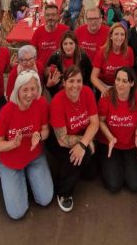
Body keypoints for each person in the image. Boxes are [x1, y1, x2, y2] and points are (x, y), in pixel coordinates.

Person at [0, 70, 53, 220]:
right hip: (11, 161)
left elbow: (45, 130)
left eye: (33, 89)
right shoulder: (6, 111)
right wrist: (12, 144)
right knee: (17, 213)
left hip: (34, 156)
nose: (29, 94)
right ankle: (17, 178)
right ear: (17, 90)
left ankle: (28, 176)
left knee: (45, 199)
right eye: (25, 89)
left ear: (38, 88)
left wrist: (39, 137)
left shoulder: (41, 103)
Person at [49, 67, 99, 212]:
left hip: (79, 135)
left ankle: (65, 167)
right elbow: (62, 140)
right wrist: (85, 143)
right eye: (71, 81)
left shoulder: (87, 92)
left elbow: (95, 122)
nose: (75, 85)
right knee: (81, 157)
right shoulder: (57, 101)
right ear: (64, 82)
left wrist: (83, 143)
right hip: (57, 140)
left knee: (91, 173)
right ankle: (63, 192)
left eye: (79, 81)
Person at [97, 68, 137, 192]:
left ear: (132, 83)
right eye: (118, 80)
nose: (120, 84)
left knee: (135, 185)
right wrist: (110, 138)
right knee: (114, 185)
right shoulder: (107, 97)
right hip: (110, 144)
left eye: (124, 81)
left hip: (130, 144)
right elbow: (100, 121)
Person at [45, 31, 93, 97]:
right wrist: (49, 85)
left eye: (71, 43)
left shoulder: (83, 57)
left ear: (76, 44)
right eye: (65, 44)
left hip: (79, 92)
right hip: (60, 93)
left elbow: (89, 80)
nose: (68, 47)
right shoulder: (55, 57)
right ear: (61, 45)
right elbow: (48, 83)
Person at [91, 23, 134, 96]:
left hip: (122, 86)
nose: (119, 37)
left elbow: (130, 74)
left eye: (122, 34)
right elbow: (93, 77)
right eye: (116, 34)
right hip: (105, 85)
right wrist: (104, 90)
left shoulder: (129, 51)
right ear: (111, 36)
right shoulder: (101, 52)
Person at [31, 4, 68, 69]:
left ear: (58, 16)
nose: (50, 17)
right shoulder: (38, 32)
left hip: (60, 69)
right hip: (41, 69)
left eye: (53, 15)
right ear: (44, 16)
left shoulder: (65, 30)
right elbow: (32, 53)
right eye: (48, 15)